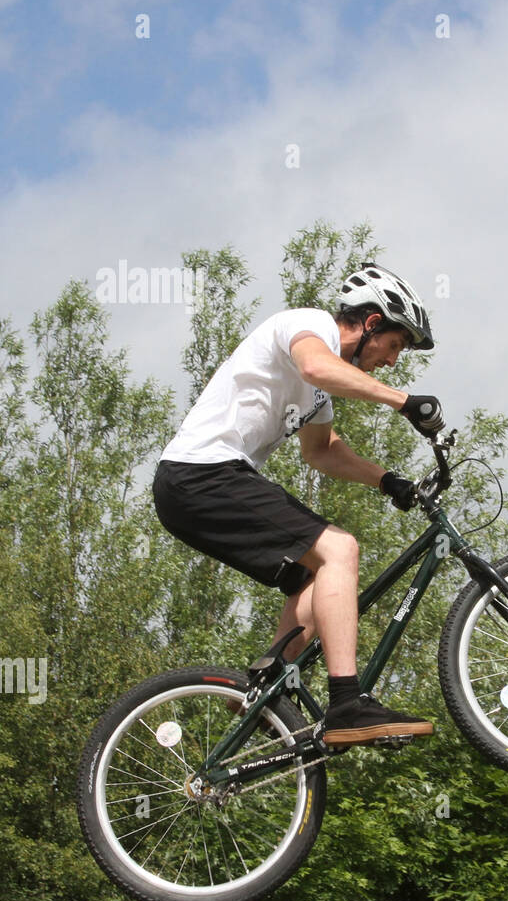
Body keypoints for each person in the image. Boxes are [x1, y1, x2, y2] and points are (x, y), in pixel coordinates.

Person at [152, 262, 443, 746]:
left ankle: (263, 689)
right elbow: (313, 364)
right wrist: (403, 401)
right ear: (371, 323)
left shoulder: (320, 389)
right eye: (394, 345)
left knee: (314, 578)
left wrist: (390, 481)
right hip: (201, 473)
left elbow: (321, 450)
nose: (392, 361)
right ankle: (347, 702)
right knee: (340, 550)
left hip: (197, 487)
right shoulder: (308, 326)